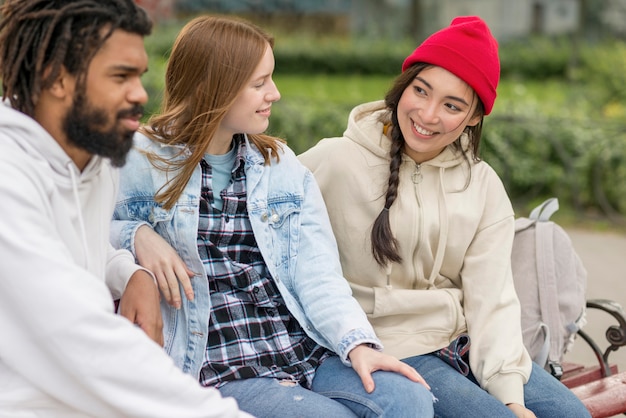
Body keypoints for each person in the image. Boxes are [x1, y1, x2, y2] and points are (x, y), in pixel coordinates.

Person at [110, 14, 434, 418]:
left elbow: (317, 272)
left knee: (407, 398)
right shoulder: (138, 158)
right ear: (215, 88)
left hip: (298, 348)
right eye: (259, 83)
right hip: (220, 365)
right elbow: (79, 232)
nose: (275, 94)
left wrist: (357, 345)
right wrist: (137, 235)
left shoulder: (279, 164)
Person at [298, 16, 591, 418]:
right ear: (405, 85)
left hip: (457, 342)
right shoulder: (335, 160)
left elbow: (493, 299)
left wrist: (510, 394)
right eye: (421, 90)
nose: (428, 114)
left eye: (452, 106)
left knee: (569, 415)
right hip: (381, 346)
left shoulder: (482, 185)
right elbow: (250, 203)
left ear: (473, 116)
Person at [0, 1, 248, 417]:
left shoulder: (94, 159)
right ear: (56, 78)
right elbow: (78, 337)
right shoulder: (9, 175)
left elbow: (79, 251)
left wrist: (127, 271)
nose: (140, 93)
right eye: (120, 76)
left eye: (139, 75)